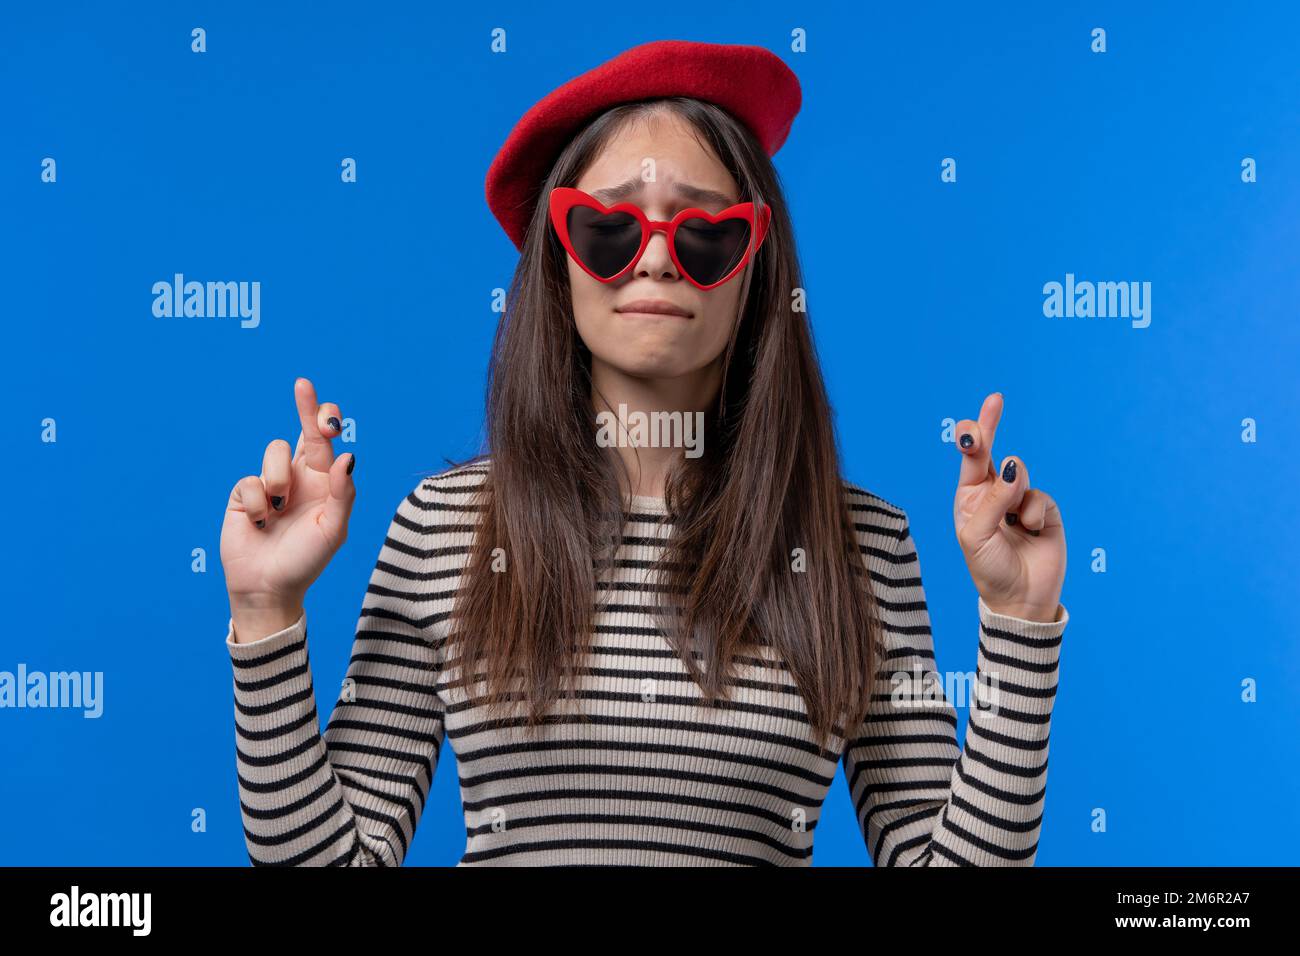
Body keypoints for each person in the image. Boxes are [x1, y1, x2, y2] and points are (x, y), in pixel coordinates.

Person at [220, 39, 1068, 866]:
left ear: (755, 268)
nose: (656, 259)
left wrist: (1021, 624)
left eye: (705, 234)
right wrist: (264, 611)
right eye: (609, 228)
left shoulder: (859, 547)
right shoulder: (444, 528)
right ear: (559, 263)